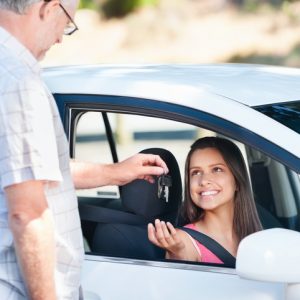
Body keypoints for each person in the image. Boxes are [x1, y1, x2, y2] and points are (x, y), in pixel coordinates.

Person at [0, 1, 168, 299]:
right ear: (48, 8)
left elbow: (28, 172)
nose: (60, 38)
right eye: (66, 23)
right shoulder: (18, 84)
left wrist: (115, 173)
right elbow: (28, 213)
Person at [148, 136, 262, 263]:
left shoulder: (257, 236)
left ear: (237, 180)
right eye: (196, 172)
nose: (204, 181)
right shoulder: (183, 240)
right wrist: (178, 254)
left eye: (216, 169)